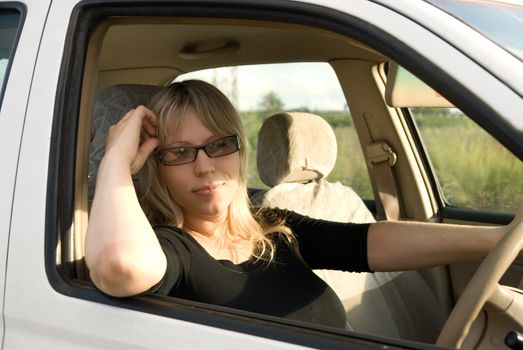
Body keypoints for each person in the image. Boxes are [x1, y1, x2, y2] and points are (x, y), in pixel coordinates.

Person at [85, 79, 522, 328]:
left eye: (218, 144)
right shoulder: (171, 248)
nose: (204, 167)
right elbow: (120, 267)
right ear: (154, 165)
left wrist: (500, 239)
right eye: (180, 153)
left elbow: (369, 243)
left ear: (239, 148)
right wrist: (116, 161)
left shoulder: (269, 225)